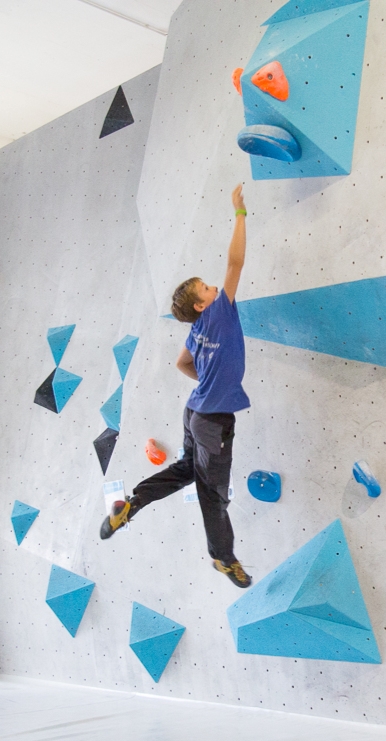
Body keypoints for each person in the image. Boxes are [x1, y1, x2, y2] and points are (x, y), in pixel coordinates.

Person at [100, 183, 252, 589]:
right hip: (212, 420)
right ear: (203, 304)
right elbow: (235, 264)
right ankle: (223, 558)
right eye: (206, 288)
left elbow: (182, 362)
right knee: (213, 494)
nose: (213, 287)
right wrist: (239, 214)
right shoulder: (219, 314)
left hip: (195, 413)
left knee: (188, 469)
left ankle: (130, 505)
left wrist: (213, 380)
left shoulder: (200, 327)